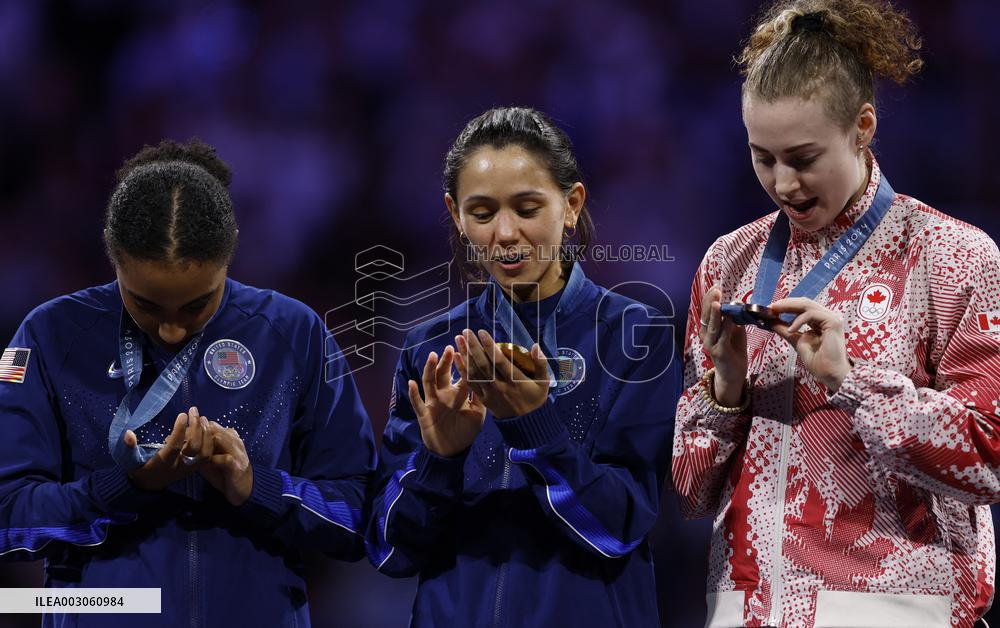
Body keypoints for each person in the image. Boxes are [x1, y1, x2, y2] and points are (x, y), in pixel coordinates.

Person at [672, 1, 1000, 626]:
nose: (783, 183)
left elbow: (990, 455)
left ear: (863, 127)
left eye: (802, 157)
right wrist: (727, 389)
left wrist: (851, 383)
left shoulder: (953, 257)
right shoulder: (729, 261)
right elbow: (690, 491)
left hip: (897, 610)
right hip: (746, 610)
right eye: (762, 158)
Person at [0, 139, 376, 627]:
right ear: (114, 256)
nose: (172, 330)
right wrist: (124, 488)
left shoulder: (293, 333)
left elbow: (359, 517)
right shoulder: (50, 335)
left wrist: (255, 486)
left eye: (198, 305)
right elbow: (8, 515)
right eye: (147, 305)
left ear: (229, 255)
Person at [365, 107, 683, 626]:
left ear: (572, 204)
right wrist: (439, 460)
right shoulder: (432, 347)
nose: (506, 232)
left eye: (528, 207)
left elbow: (618, 528)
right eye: (483, 213)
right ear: (456, 215)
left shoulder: (634, 335)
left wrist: (535, 428)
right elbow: (390, 550)